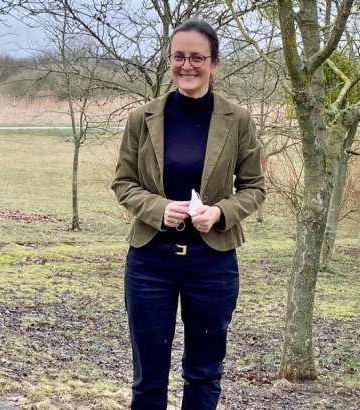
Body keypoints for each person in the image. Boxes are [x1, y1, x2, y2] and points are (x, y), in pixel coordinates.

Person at [111, 18, 265, 409]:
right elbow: (124, 183)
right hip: (150, 263)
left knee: (204, 373)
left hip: (211, 265)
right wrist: (159, 209)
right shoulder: (142, 118)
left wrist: (220, 213)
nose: (187, 65)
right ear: (169, 61)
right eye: (179, 56)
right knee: (148, 379)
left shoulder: (238, 120)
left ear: (214, 64)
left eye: (198, 57)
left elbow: (254, 188)